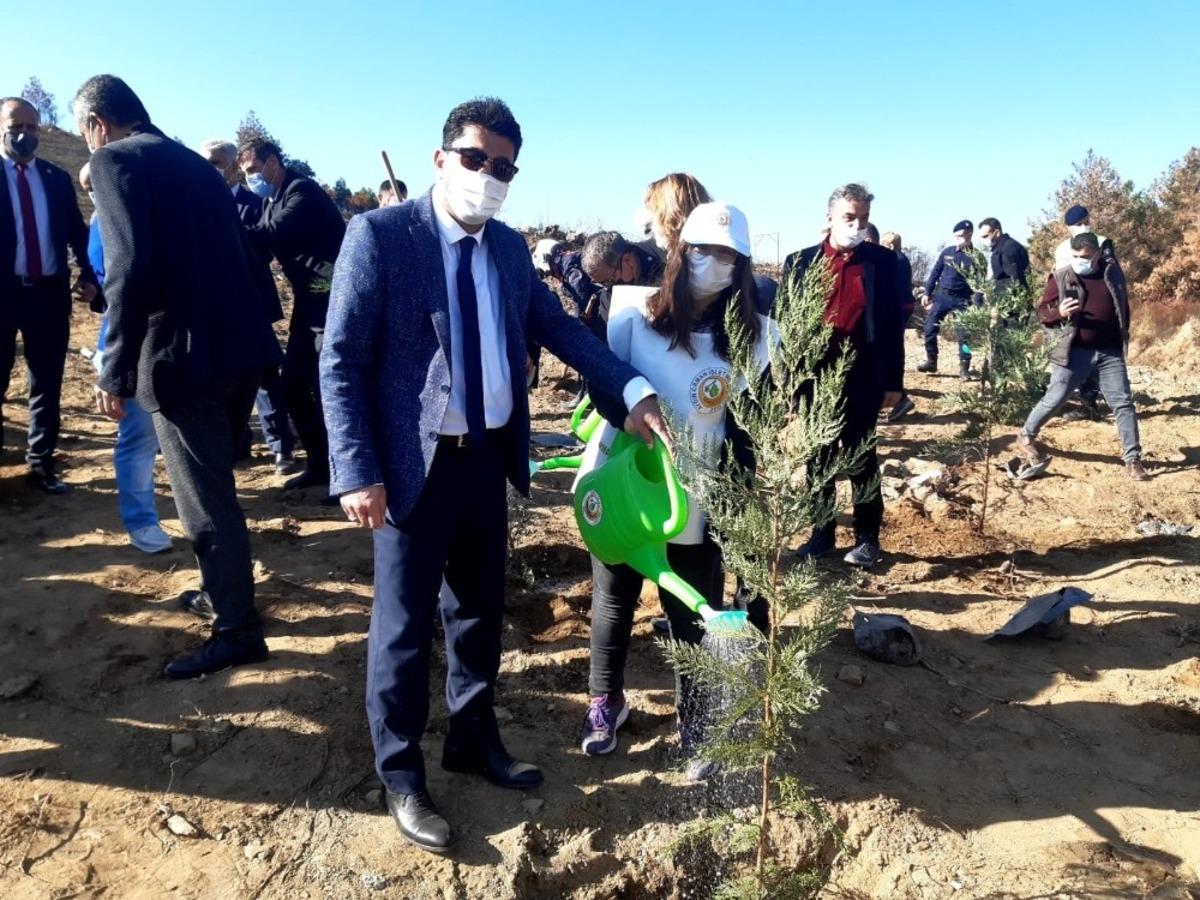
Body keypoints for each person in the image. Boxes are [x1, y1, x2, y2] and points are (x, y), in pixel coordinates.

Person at [320, 97, 667, 855]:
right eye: (475, 159)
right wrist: (357, 468)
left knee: (479, 611)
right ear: (441, 158)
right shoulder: (380, 237)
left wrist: (632, 390)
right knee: (404, 629)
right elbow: (340, 359)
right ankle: (402, 772)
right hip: (412, 468)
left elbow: (560, 329)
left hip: (488, 457)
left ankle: (473, 739)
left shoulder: (509, 250)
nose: (488, 177)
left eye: (503, 168)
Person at [74, 73, 284, 678]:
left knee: (204, 502)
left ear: (96, 124)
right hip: (238, 349)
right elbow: (244, 257)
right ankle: (224, 592)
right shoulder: (197, 165)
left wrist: (113, 370)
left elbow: (129, 270)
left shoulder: (114, 161)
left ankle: (238, 631)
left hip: (180, 357)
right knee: (215, 483)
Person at [577, 202, 774, 769]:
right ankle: (605, 702)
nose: (711, 263)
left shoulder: (753, 338)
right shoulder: (633, 315)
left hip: (699, 490)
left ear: (740, 265)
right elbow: (602, 388)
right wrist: (635, 396)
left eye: (726, 255)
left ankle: (698, 719)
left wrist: (737, 493)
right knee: (613, 599)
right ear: (678, 252)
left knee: (692, 607)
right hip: (626, 479)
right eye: (701, 250)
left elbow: (748, 424)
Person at [784, 184, 904, 568]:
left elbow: (891, 326)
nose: (856, 225)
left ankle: (868, 538)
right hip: (814, 379)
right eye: (849, 218)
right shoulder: (799, 263)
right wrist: (788, 379)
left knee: (860, 457)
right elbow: (787, 326)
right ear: (829, 217)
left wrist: (894, 383)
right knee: (818, 457)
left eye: (863, 219)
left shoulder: (883, 264)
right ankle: (821, 534)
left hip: (863, 376)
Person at [0, 97, 99, 493]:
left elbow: (78, 234)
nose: (25, 133)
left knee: (46, 383)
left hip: (48, 294)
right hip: (3, 295)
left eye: (32, 126)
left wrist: (89, 275)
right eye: (15, 125)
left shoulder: (56, 178)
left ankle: (41, 465)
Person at [240, 138, 346, 493]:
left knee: (328, 388)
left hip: (333, 299)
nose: (251, 177)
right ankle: (320, 465)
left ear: (273, 162)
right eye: (245, 173)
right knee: (294, 386)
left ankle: (343, 475)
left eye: (253, 169)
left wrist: (225, 232)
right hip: (309, 301)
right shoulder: (272, 199)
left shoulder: (303, 192)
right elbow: (265, 248)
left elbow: (272, 233)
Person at [80, 162, 171, 553]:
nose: (94, 192)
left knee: (153, 435)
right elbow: (118, 293)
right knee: (137, 437)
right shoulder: (105, 224)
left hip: (152, 338)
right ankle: (141, 521)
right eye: (88, 187)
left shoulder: (128, 217)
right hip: (127, 343)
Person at [1015, 232, 1148, 481]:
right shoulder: (1062, 276)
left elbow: (1123, 307)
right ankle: (1026, 434)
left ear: (1097, 254)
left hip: (1109, 352)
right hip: (1073, 351)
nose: (1079, 260)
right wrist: (1059, 312)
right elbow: (1042, 312)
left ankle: (1133, 459)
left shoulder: (1112, 274)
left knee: (1123, 403)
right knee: (1055, 398)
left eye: (1084, 256)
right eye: (1075, 256)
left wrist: (1122, 338)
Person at [201, 139, 299, 477]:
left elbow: (266, 248)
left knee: (264, 375)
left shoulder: (254, 202)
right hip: (212, 305)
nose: (210, 168)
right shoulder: (197, 203)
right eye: (206, 162)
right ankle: (237, 443)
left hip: (251, 303)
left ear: (231, 165)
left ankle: (280, 447)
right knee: (222, 377)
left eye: (216, 161)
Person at [920, 220, 979, 378]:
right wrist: (927, 292)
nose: (957, 239)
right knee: (929, 329)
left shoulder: (976, 257)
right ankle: (931, 361)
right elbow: (935, 273)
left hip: (962, 300)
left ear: (969, 234)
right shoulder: (947, 252)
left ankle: (964, 368)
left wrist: (978, 305)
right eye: (955, 236)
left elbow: (980, 283)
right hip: (942, 297)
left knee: (964, 336)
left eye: (960, 236)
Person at [879, 230, 916, 422]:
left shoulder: (896, 261)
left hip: (899, 308)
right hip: (901, 306)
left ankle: (898, 397)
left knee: (889, 350)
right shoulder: (900, 259)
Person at [1054, 204, 1113, 271]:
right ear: (1069, 228)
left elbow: (1112, 269)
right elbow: (1061, 277)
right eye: (1079, 224)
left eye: (1086, 222)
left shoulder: (1102, 242)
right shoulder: (1062, 249)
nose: (1084, 226)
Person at [977, 217, 1029, 291]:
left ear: (997, 233)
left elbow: (1015, 279)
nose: (983, 240)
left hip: (1012, 299)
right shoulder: (998, 249)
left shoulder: (1008, 249)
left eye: (985, 236)